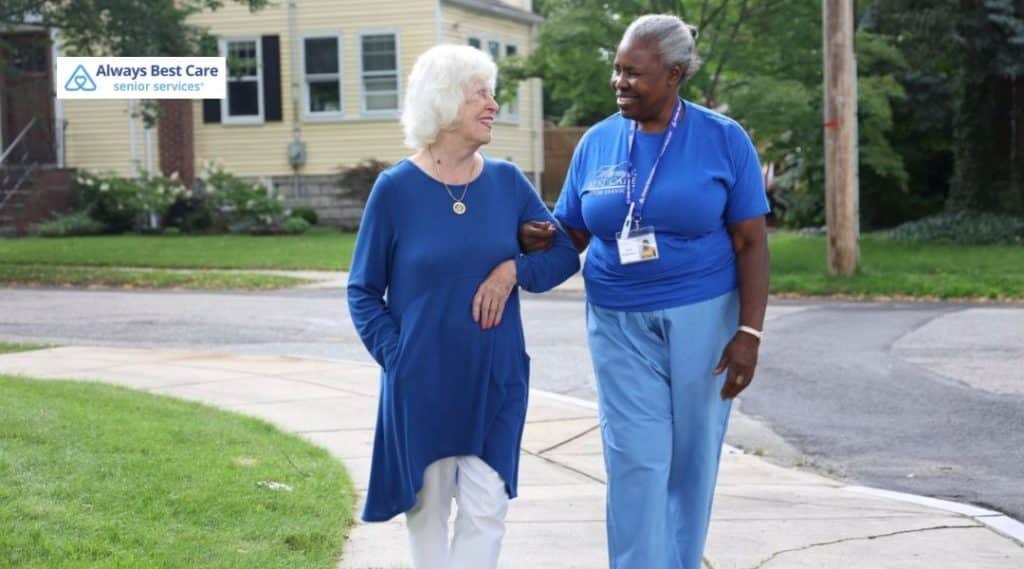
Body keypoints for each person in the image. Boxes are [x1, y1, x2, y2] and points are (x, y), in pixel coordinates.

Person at [519, 14, 770, 569]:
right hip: (617, 318)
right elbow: (573, 231)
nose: (619, 82)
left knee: (691, 460)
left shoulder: (724, 140)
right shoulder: (597, 141)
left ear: (674, 73)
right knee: (636, 457)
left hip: (704, 316)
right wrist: (532, 242)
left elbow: (751, 242)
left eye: (633, 73)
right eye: (616, 69)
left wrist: (749, 332)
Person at [347, 44, 580, 569]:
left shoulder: (507, 182)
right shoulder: (395, 190)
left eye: (491, 93)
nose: (492, 103)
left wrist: (513, 269)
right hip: (422, 379)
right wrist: (398, 354)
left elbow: (565, 254)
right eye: (480, 92)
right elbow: (363, 290)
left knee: (486, 509)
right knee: (427, 513)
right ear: (444, 101)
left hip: (495, 376)